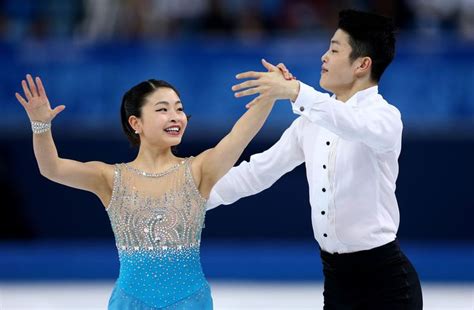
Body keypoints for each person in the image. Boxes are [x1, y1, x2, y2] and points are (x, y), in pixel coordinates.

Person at [207, 9, 423, 309]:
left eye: (334, 50)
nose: (324, 57)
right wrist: (191, 200)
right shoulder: (311, 122)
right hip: (336, 283)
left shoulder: (385, 119)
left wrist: (295, 91)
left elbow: (350, 123)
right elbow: (256, 173)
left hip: (387, 286)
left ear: (362, 64)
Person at [15, 73, 277, 309]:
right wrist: (40, 126)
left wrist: (271, 93)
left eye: (180, 109)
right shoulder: (110, 178)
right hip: (130, 302)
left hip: (190, 302)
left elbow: (240, 135)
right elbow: (52, 169)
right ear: (135, 122)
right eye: (163, 109)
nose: (176, 117)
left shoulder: (199, 170)